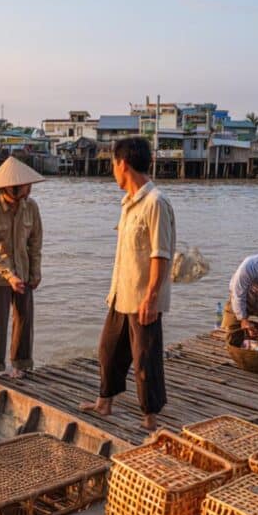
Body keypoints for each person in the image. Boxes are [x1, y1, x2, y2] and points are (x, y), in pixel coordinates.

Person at [79, 138, 176, 431]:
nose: (113, 171)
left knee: (146, 360)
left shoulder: (155, 202)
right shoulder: (129, 203)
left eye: (113, 164)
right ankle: (104, 403)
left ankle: (150, 418)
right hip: (122, 293)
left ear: (123, 163)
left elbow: (162, 254)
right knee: (108, 350)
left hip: (144, 297)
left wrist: (151, 297)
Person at [0, 156, 44, 381]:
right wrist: (9, 275)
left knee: (24, 320)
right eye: (26, 185)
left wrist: (35, 272)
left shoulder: (31, 207)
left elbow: (35, 242)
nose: (29, 188)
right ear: (11, 187)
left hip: (24, 271)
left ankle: (21, 365)